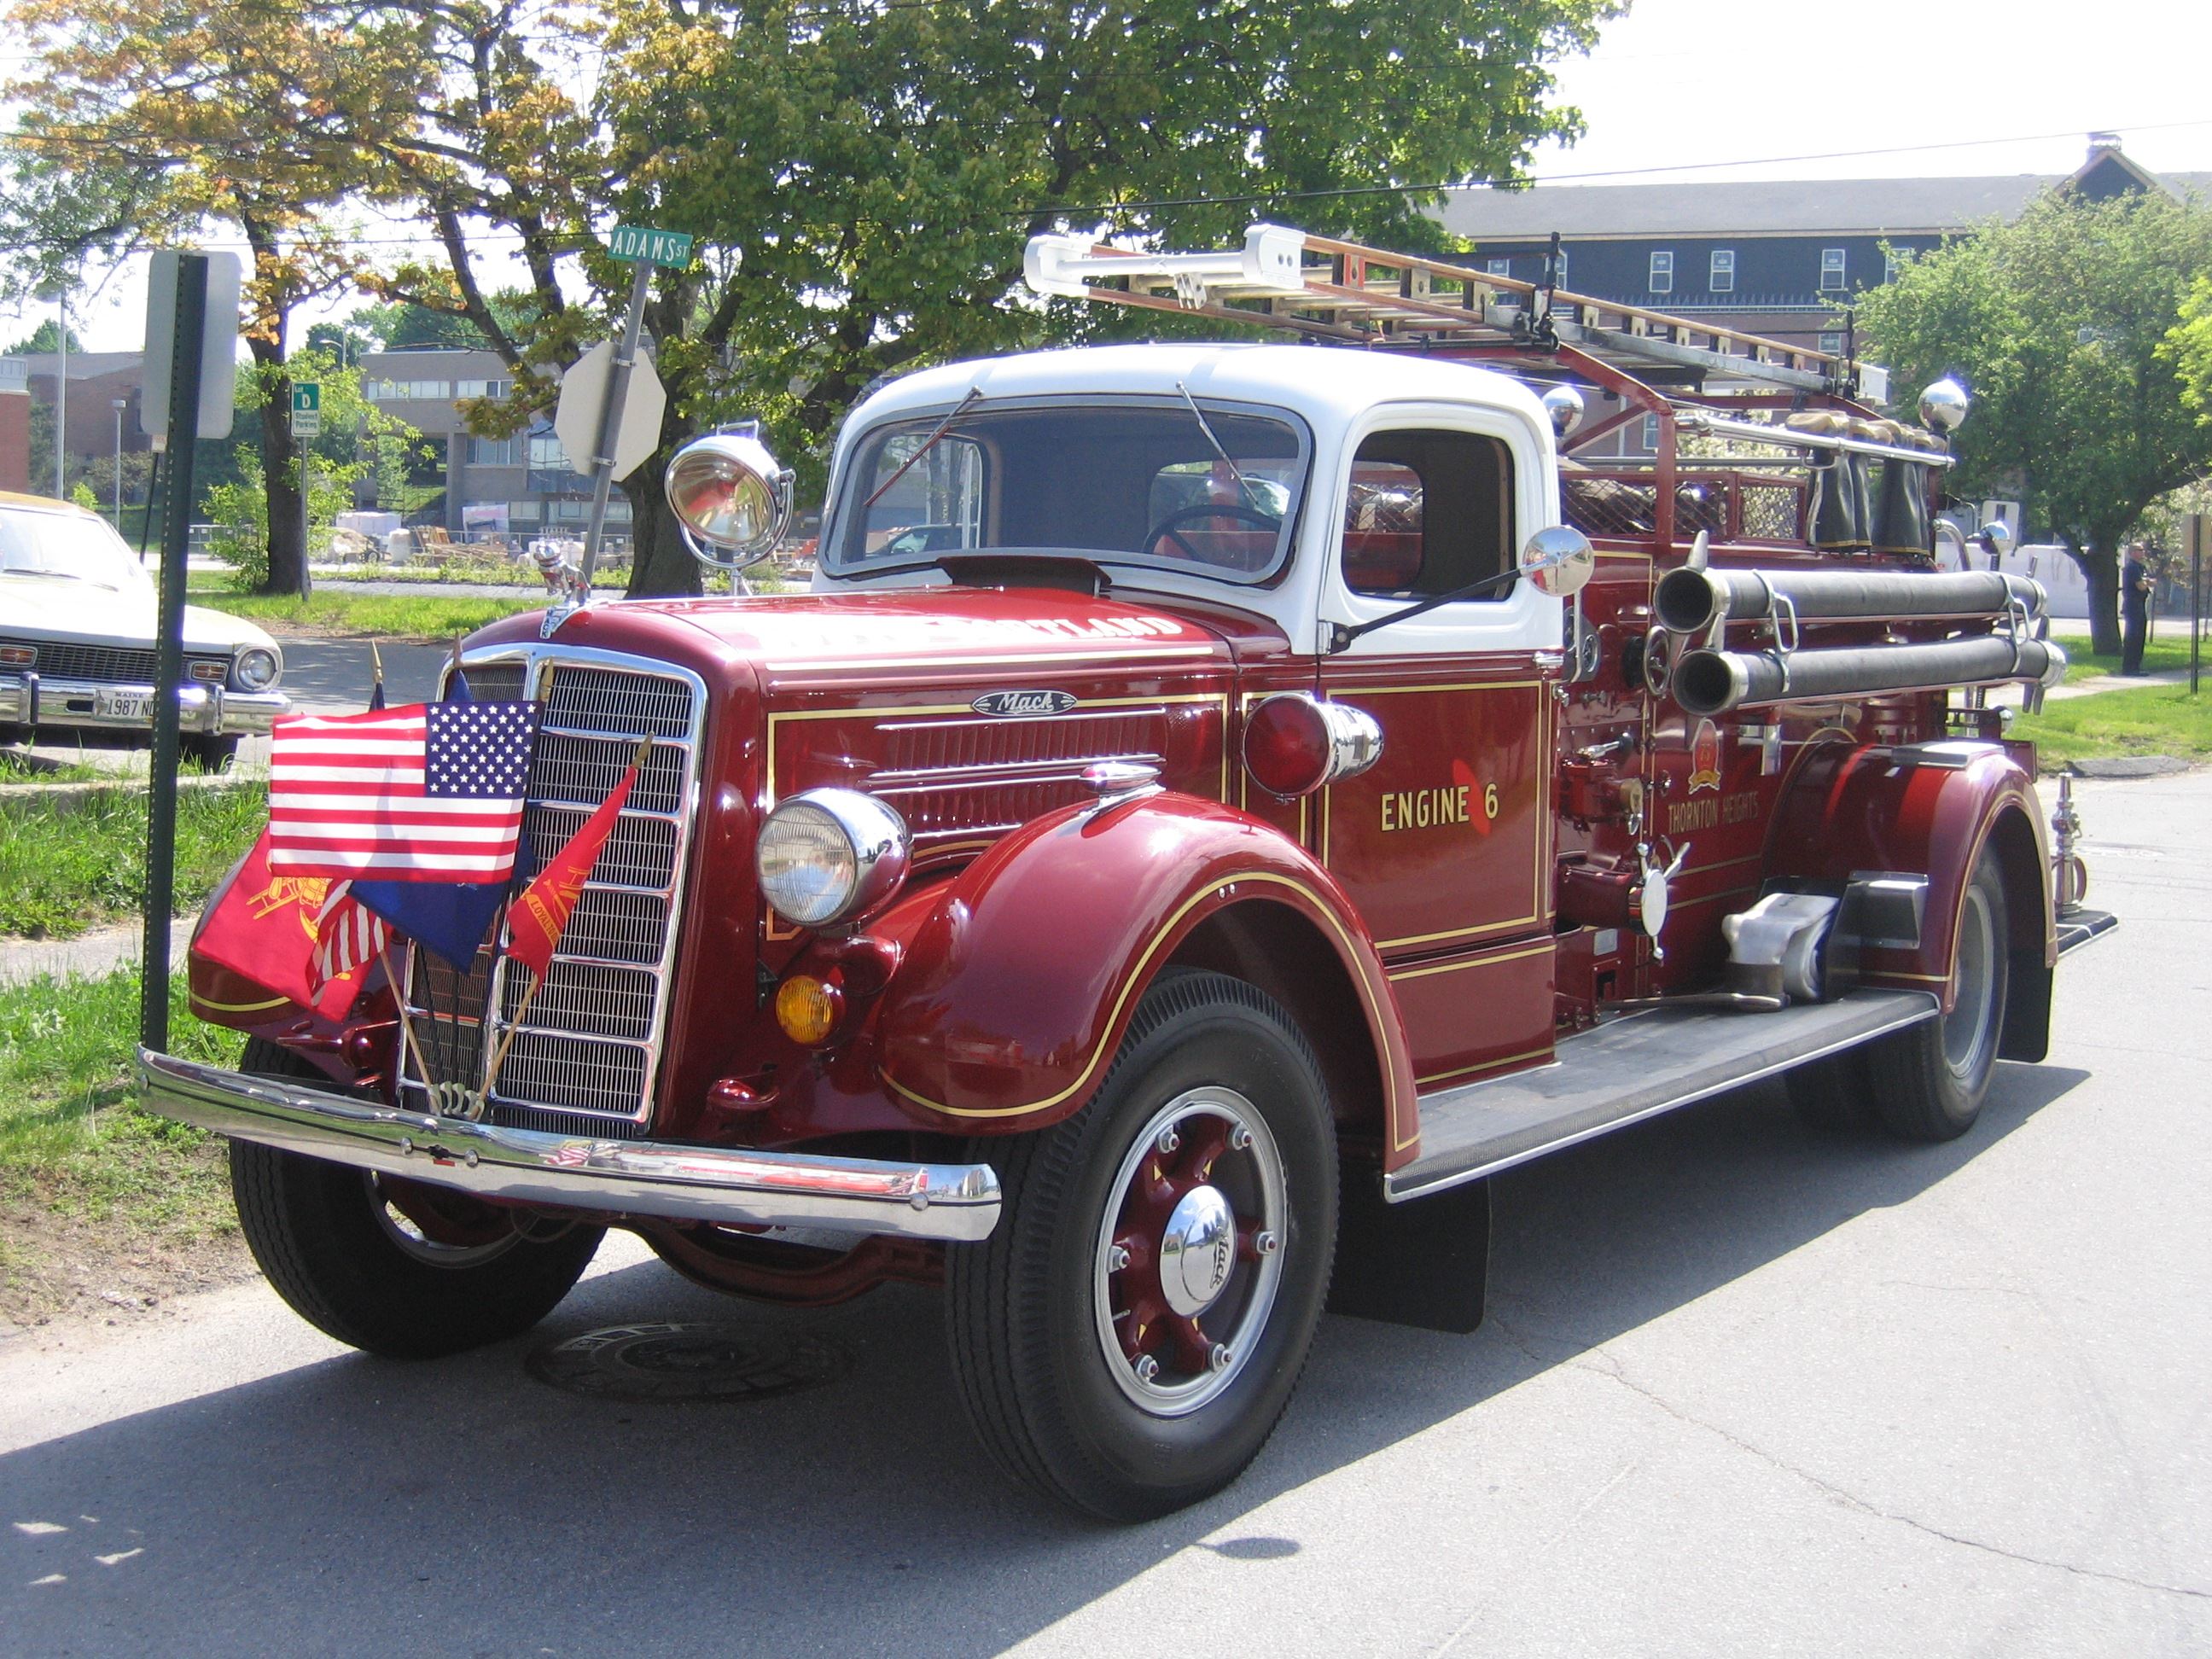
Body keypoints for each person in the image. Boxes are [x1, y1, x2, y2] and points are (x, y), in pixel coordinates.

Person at [2119, 540, 2153, 675]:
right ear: (2132, 553)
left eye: (2143, 550)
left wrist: (2147, 582)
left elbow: (2145, 583)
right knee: (2133, 637)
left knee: (2140, 637)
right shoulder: (2131, 567)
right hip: (2133, 605)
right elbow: (2140, 586)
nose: (2142, 552)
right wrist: (2148, 582)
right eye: (2139, 550)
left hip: (2140, 604)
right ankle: (2129, 668)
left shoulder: (2141, 567)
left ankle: (2136, 667)